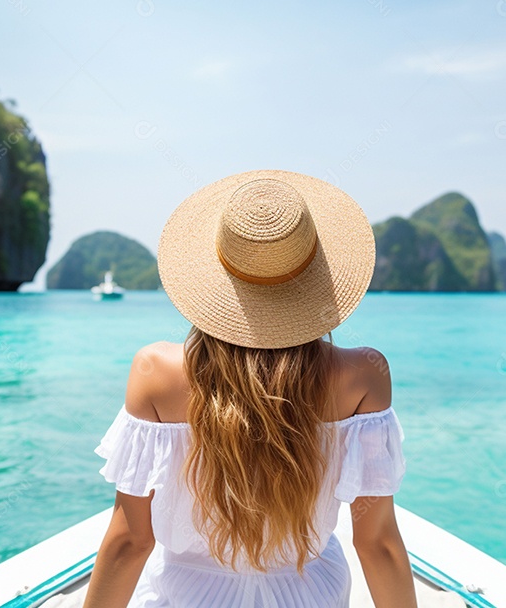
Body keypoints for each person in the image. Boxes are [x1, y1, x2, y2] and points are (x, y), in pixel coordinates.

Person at [82, 170, 417, 608]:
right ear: (317, 274)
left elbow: (130, 542)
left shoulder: (154, 371)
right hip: (311, 594)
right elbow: (377, 543)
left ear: (211, 275)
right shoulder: (362, 376)